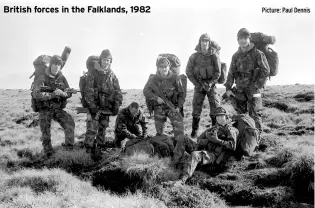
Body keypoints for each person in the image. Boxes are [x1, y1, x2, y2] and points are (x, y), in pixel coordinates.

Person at [171, 106, 239, 185]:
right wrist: (207, 141)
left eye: (221, 116)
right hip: (204, 149)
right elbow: (199, 139)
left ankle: (182, 180)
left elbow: (232, 146)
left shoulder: (230, 130)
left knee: (195, 155)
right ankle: (174, 164)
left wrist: (217, 141)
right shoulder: (214, 128)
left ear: (226, 116)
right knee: (183, 138)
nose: (219, 118)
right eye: (217, 116)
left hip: (213, 155)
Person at [224, 28, 270, 134]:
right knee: (241, 115)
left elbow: (265, 70)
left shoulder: (257, 53)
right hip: (240, 89)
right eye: (241, 38)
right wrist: (228, 88)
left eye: (245, 38)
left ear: (249, 39)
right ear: (238, 40)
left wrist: (257, 86)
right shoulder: (235, 56)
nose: (243, 41)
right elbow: (231, 73)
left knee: (255, 114)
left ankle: (257, 139)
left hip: (254, 90)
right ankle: (244, 138)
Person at [32, 55, 75, 158]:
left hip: (57, 109)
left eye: (59, 65)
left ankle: (69, 148)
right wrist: (53, 95)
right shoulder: (42, 77)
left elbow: (68, 92)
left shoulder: (62, 78)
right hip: (45, 109)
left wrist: (63, 93)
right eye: (54, 64)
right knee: (46, 133)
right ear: (50, 65)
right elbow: (36, 94)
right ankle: (48, 154)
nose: (56, 67)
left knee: (69, 123)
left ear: (61, 66)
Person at [84, 49, 123, 160]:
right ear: (101, 60)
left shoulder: (112, 75)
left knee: (103, 128)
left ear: (110, 61)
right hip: (94, 107)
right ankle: (87, 153)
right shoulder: (93, 72)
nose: (106, 62)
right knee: (92, 129)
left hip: (106, 107)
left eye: (108, 60)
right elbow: (89, 90)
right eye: (104, 60)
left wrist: (117, 104)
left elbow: (118, 91)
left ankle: (100, 149)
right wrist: (91, 105)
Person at [186, 33, 221, 138]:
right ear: (199, 42)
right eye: (202, 41)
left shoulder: (214, 55)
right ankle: (194, 132)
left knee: (215, 108)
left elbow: (218, 72)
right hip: (199, 86)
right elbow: (188, 71)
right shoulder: (194, 56)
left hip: (211, 86)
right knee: (196, 109)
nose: (204, 43)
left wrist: (210, 84)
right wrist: (197, 84)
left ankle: (215, 132)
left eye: (206, 41)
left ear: (209, 43)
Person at [143, 56, 185, 139]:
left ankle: (178, 143)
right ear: (158, 68)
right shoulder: (153, 79)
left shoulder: (175, 78)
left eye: (165, 67)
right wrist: (156, 98)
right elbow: (146, 91)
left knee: (179, 131)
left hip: (173, 106)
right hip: (159, 107)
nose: (164, 69)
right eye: (161, 67)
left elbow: (182, 94)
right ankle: (161, 142)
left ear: (169, 67)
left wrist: (178, 107)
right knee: (159, 133)